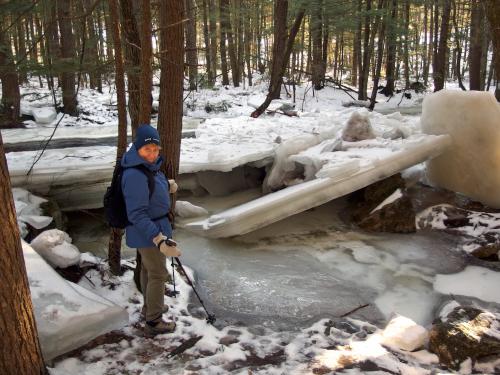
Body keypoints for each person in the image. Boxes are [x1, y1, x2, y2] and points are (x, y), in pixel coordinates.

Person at [121, 124, 181, 335]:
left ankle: (150, 307)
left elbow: (151, 187)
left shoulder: (147, 167)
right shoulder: (135, 174)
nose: (152, 154)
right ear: (137, 148)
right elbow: (137, 213)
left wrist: (166, 184)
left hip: (150, 229)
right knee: (158, 274)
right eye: (148, 150)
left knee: (148, 270)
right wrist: (159, 239)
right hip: (148, 231)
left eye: (156, 149)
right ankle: (154, 322)